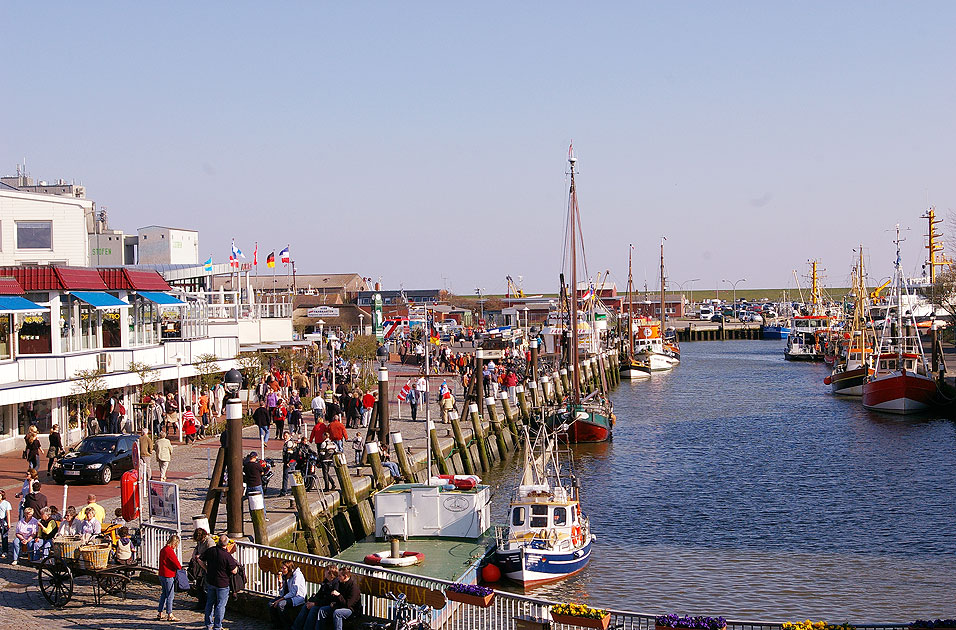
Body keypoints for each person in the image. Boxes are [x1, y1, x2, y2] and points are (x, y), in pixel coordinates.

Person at [198, 533, 240, 630]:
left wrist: (206, 569)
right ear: (226, 544)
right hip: (222, 583)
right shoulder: (227, 556)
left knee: (210, 603)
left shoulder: (210, 551)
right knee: (221, 605)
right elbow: (233, 571)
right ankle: (217, 626)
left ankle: (208, 625)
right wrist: (237, 568)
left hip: (211, 580)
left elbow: (199, 559)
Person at [292, 565, 338, 630]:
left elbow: (329, 600)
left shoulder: (336, 583)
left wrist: (315, 604)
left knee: (314, 609)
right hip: (321, 601)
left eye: (326, 571)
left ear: (330, 573)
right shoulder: (326, 581)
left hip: (329, 604)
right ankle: (295, 628)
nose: (324, 572)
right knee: (306, 606)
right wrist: (311, 600)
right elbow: (319, 593)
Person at [316, 565, 360, 630]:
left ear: (345, 576)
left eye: (339, 576)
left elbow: (348, 604)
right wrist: (334, 603)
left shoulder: (353, 588)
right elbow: (338, 600)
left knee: (337, 613)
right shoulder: (340, 583)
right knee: (322, 610)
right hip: (340, 605)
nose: (338, 577)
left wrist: (338, 595)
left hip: (351, 610)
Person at [269, 559, 307, 628]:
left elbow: (293, 592)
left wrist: (279, 600)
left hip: (297, 597)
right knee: (270, 604)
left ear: (289, 568)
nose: (282, 570)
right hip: (287, 596)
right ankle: (277, 625)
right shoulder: (284, 576)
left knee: (280, 605)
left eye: (284, 568)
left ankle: (287, 625)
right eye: (281, 568)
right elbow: (281, 593)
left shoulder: (297, 575)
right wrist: (280, 583)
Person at [158, 533, 183, 621]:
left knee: (164, 594)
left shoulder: (163, 549)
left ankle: (160, 612)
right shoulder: (169, 551)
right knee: (170, 595)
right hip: (168, 575)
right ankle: (170, 614)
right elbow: (176, 564)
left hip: (161, 574)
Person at [188, 528, 213, 610]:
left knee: (206, 586)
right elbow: (197, 548)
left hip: (206, 566)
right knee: (199, 585)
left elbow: (211, 553)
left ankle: (207, 605)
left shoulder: (209, 542)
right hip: (199, 566)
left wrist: (201, 556)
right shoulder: (200, 542)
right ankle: (200, 603)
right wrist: (194, 554)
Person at [280, 431, 296, 497]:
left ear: (289, 436)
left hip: (289, 462)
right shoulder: (290, 442)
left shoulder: (289, 443)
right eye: (284, 436)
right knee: (292, 477)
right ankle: (294, 490)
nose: (285, 437)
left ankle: (284, 491)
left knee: (286, 476)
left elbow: (289, 454)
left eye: (286, 436)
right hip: (292, 461)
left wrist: (288, 462)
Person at [0, 489, 12, 558]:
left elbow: (8, 514)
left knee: (4, 537)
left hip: (3, 522)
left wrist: (9, 523)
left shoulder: (6, 503)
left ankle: (5, 551)